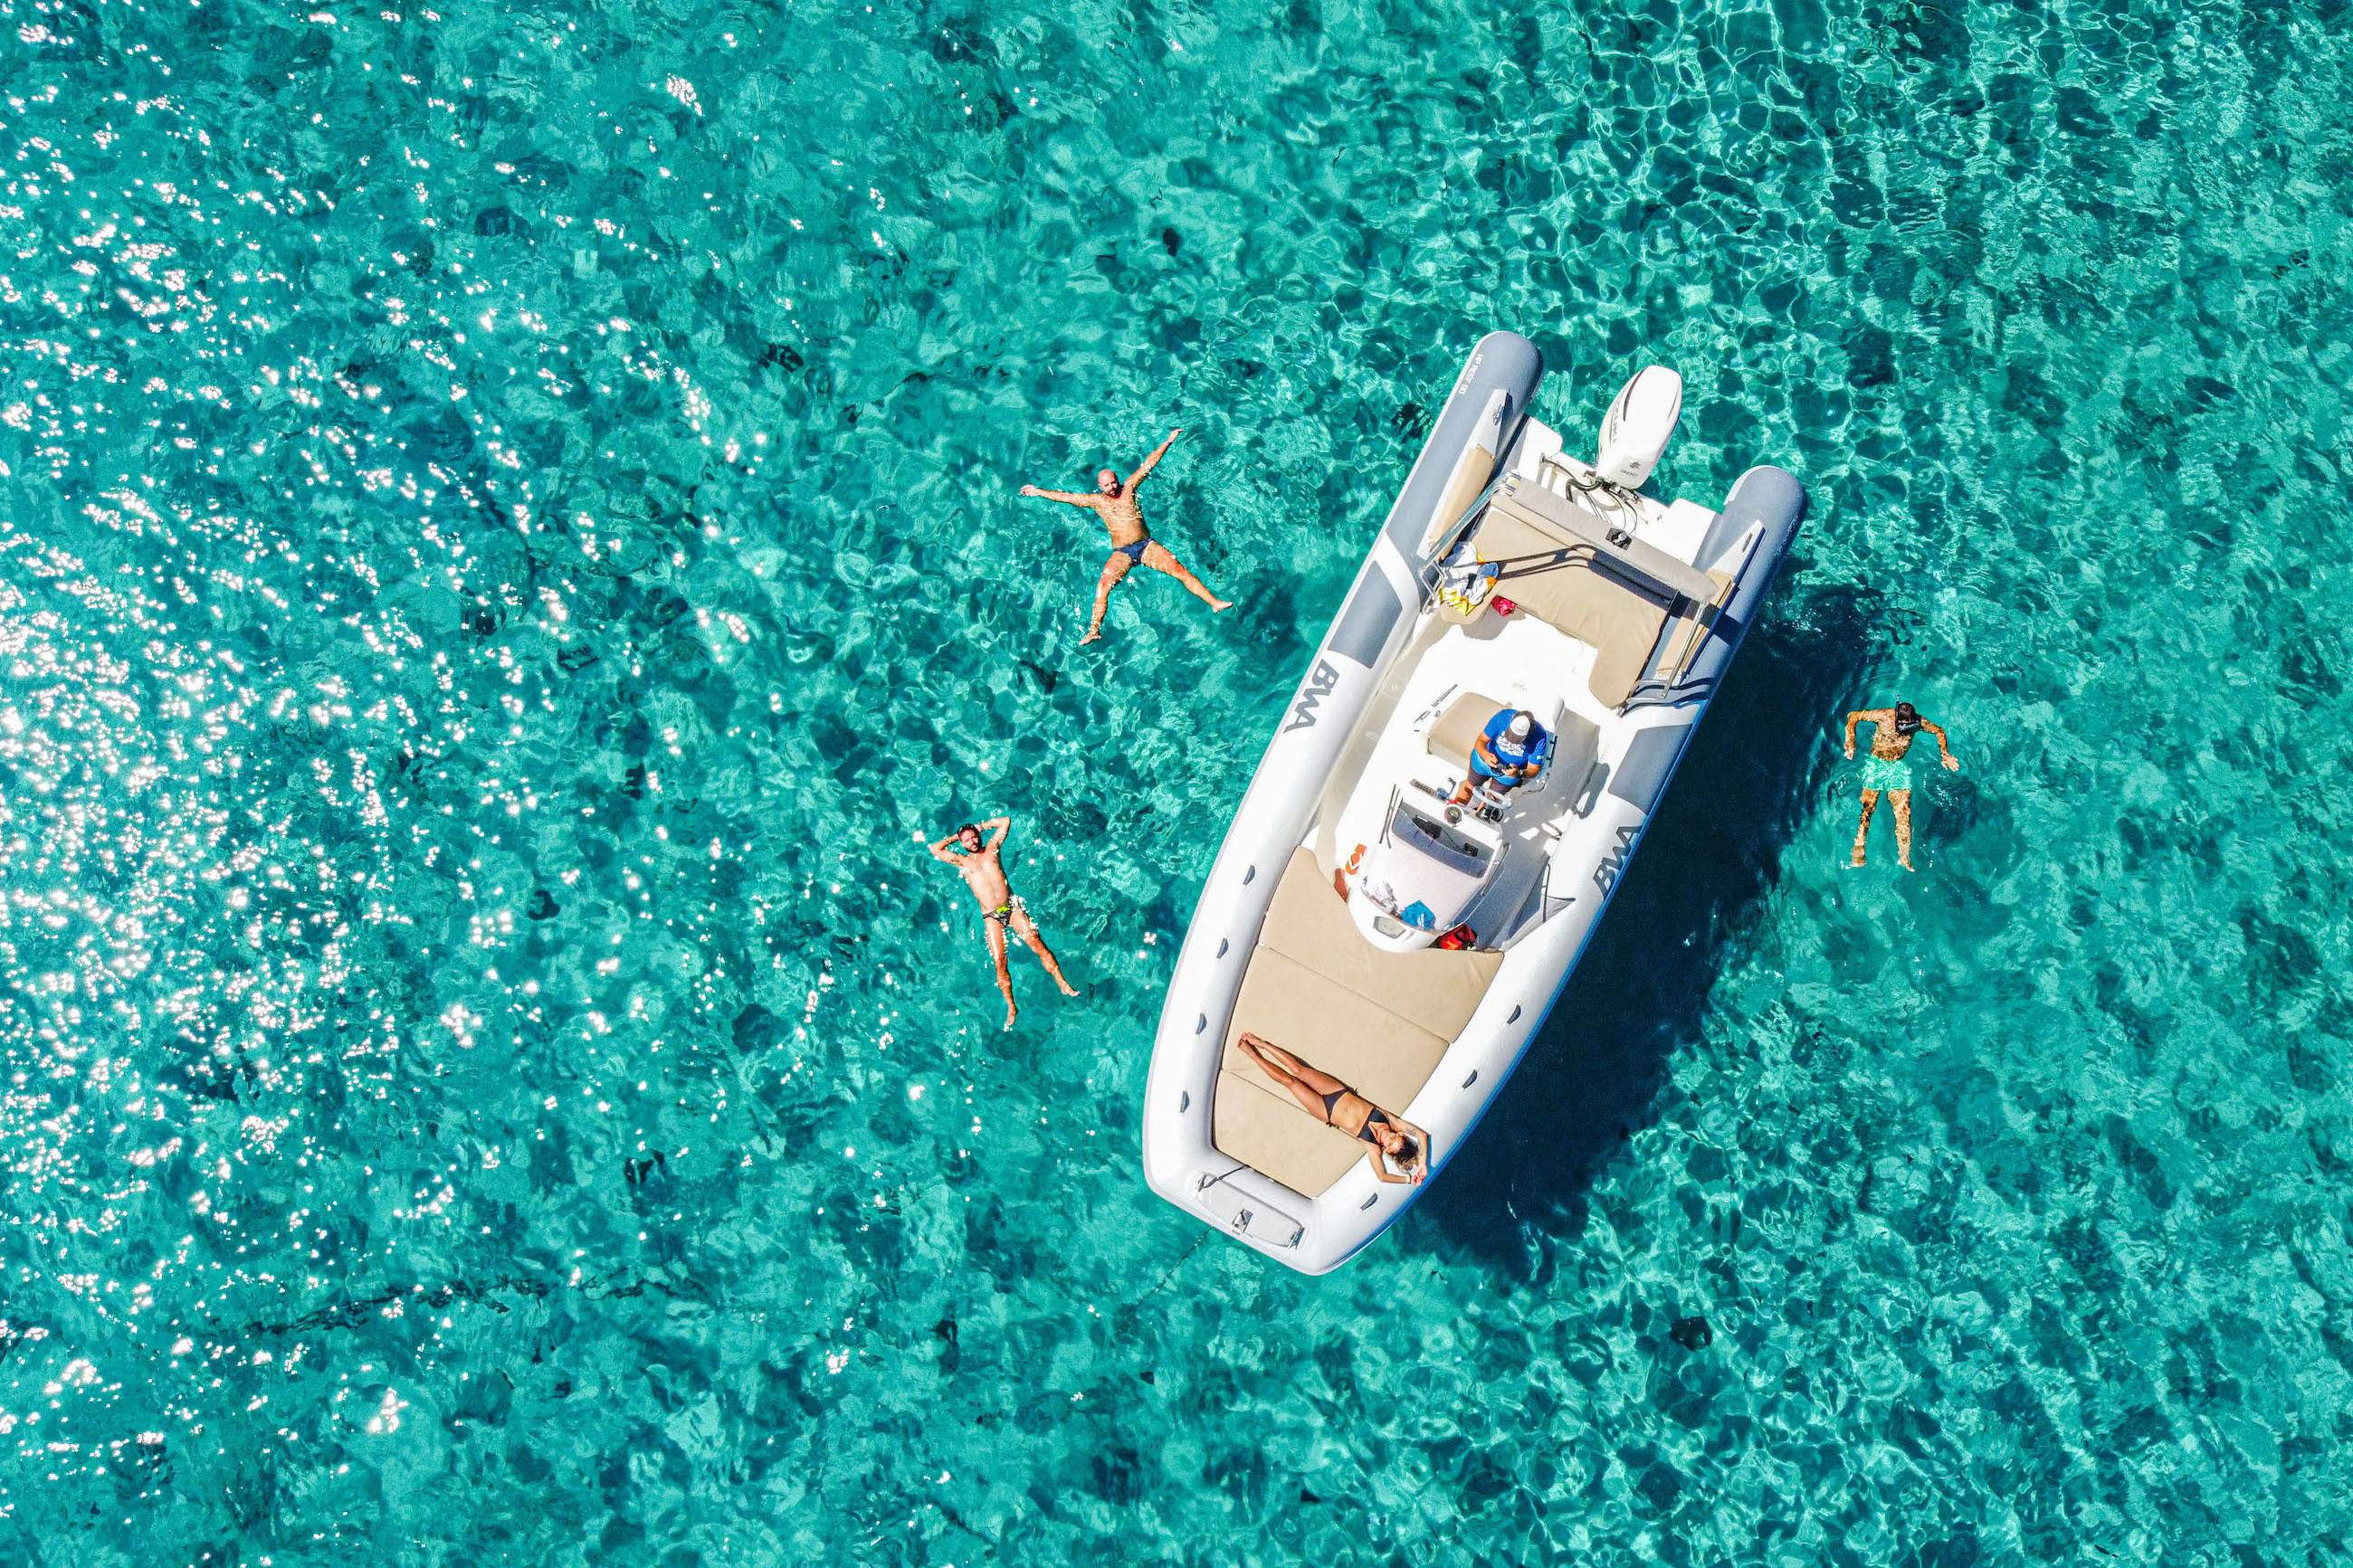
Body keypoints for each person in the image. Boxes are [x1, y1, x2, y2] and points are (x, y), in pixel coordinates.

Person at [1019, 427, 1231, 643]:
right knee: (1103, 586)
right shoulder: (1096, 501)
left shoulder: (1129, 488)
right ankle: (1094, 631)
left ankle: (1214, 603)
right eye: (1106, 485)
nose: (1112, 487)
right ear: (1100, 486)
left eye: (1113, 482)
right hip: (1122, 553)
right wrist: (1039, 491)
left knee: (1180, 571)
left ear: (1117, 479)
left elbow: (1148, 464)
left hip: (1147, 546)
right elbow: (1068, 497)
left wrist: (1168, 441)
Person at [929, 817, 1080, 1029]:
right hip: (992, 917)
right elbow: (935, 848)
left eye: (974, 837)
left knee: (1037, 944)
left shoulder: (992, 848)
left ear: (979, 836)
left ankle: (1062, 982)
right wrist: (958, 836)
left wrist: (980, 827)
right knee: (1000, 961)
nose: (973, 842)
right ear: (962, 844)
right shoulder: (962, 861)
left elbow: (1005, 822)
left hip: (1012, 908)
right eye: (967, 840)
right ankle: (1011, 1005)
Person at [1235, 1033, 1431, 1185]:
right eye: (1395, 1138)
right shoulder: (1390, 1120)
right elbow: (1421, 1135)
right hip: (1336, 1092)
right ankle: (1262, 1044)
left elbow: (1382, 1176)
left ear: (1387, 1150)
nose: (1389, 1139)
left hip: (1325, 1112)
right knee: (1297, 1069)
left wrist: (1408, 1179)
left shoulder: (1372, 1147)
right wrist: (1422, 1164)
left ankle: (1253, 1056)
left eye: (1390, 1145)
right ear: (1401, 1135)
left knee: (1289, 1081)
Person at [1842, 700, 1959, 870]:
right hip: (1876, 763)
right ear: (1897, 718)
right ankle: (1858, 849)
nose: (1906, 729)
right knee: (1867, 809)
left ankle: (1904, 857)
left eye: (1910, 725)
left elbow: (1939, 731)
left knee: (1903, 813)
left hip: (1897, 767)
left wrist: (1945, 754)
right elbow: (1853, 716)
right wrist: (1850, 741)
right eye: (1904, 725)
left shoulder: (1918, 722)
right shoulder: (1884, 716)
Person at [1449, 708, 1548, 807]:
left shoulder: (1539, 736)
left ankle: (1482, 811)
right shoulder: (1503, 717)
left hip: (1507, 775)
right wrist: (1485, 754)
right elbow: (1481, 740)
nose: (1512, 740)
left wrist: (1519, 773)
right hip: (1483, 762)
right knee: (1468, 787)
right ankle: (1454, 810)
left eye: (1518, 738)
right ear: (1512, 718)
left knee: (1491, 800)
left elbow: (1533, 769)